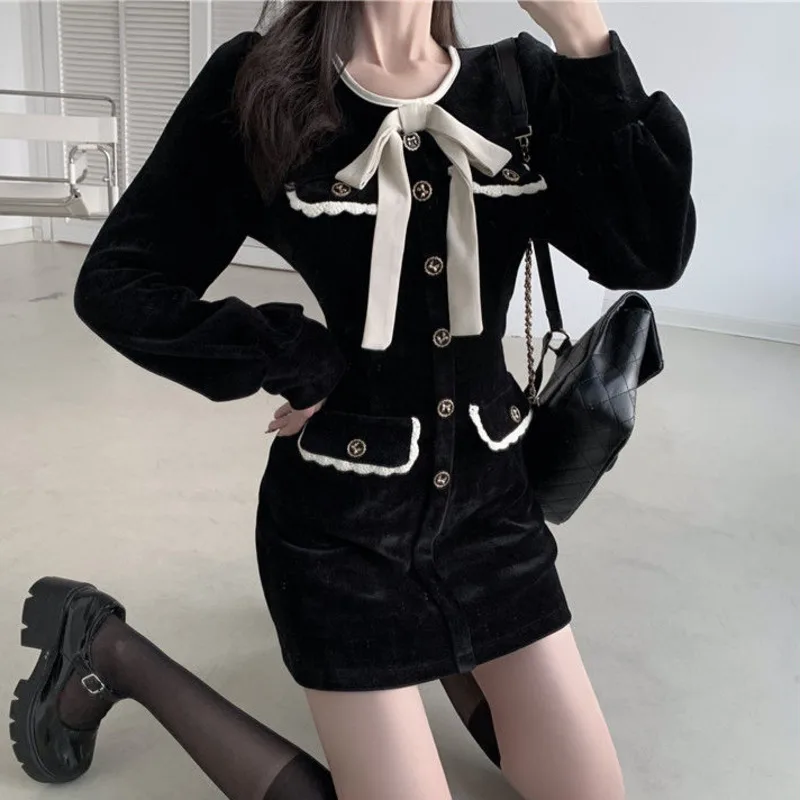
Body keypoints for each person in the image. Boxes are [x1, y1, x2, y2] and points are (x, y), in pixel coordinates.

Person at [9, 1, 695, 798]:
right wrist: (291, 355)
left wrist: (583, 35)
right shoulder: (262, 85)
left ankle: (437, 652)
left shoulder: (522, 85)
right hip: (339, 530)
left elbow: (648, 251)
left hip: (493, 516)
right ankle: (112, 652)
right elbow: (120, 280)